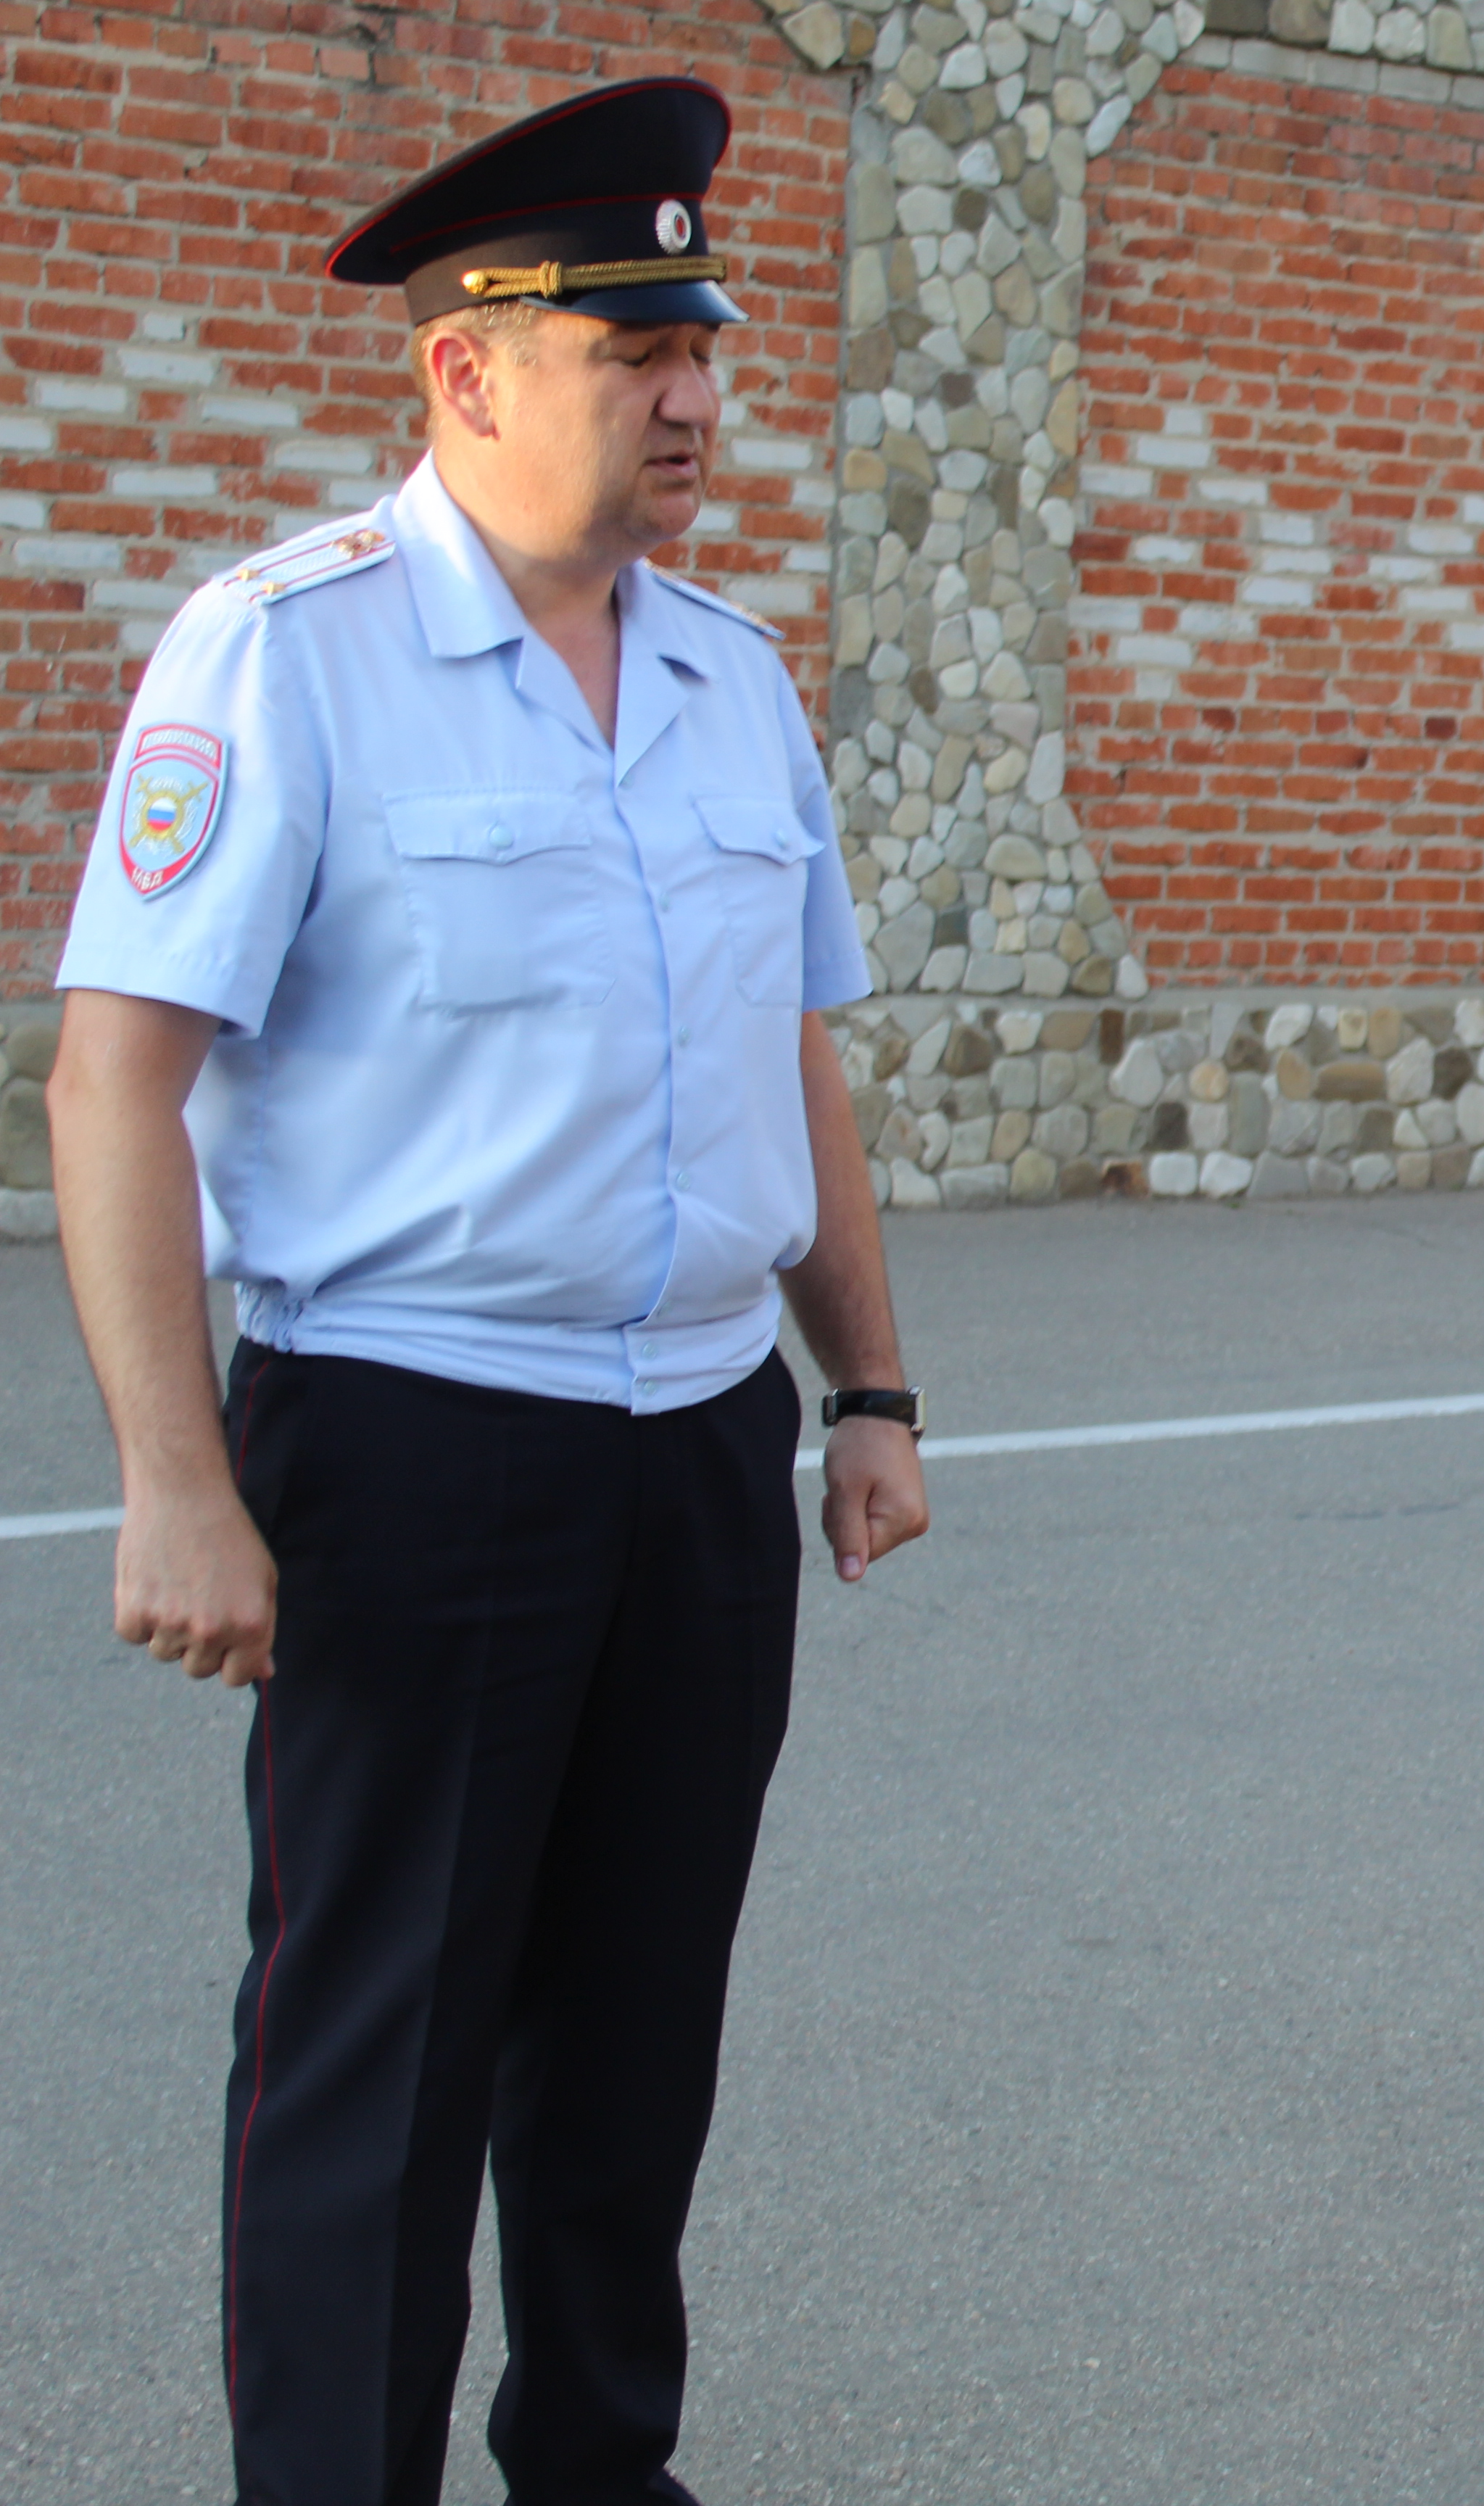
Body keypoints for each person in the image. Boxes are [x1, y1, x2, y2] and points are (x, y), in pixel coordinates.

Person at [43, 80, 927, 2505]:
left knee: (635, 2051)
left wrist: (871, 1381)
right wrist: (173, 1478)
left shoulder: (738, 679)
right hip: (414, 1442)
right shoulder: (290, 653)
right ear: (467, 373)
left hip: (689, 1454)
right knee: (383, 2055)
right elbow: (115, 1076)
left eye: (706, 342)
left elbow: (791, 1058)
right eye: (636, 345)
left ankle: (597, 2472)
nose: (695, 395)